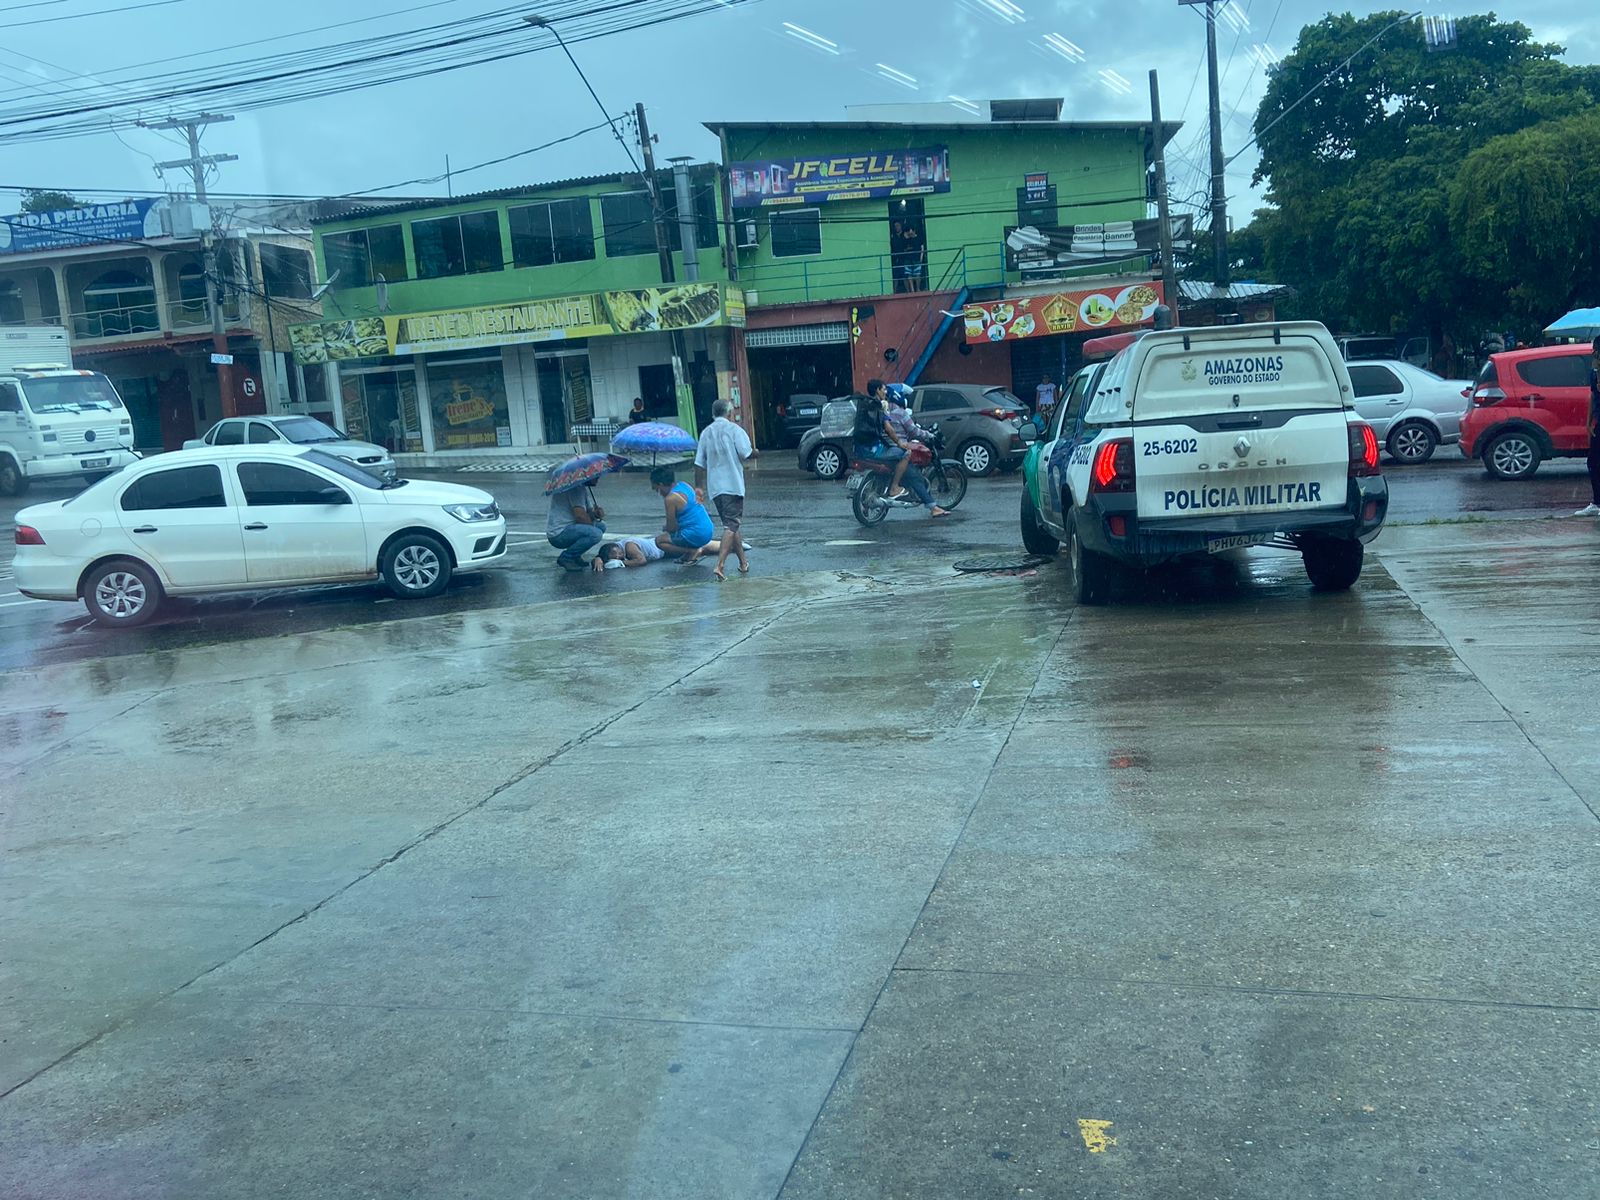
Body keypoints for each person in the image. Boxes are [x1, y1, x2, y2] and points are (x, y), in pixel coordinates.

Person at [853, 381, 948, 518]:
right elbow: (897, 429)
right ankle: (929, 505)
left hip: (863, 449)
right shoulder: (884, 407)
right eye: (883, 389)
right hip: (879, 450)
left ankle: (875, 500)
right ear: (878, 390)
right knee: (913, 471)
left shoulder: (865, 406)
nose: (885, 392)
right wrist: (899, 442)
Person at [695, 397, 757, 580]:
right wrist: (757, 452)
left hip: (715, 487)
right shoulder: (734, 430)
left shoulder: (706, 433)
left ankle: (743, 562)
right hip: (732, 485)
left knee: (731, 524)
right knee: (732, 525)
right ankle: (720, 565)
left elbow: (699, 463)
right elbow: (746, 453)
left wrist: (699, 488)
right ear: (729, 413)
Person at [651, 465, 715, 561]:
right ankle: (691, 552)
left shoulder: (670, 499)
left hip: (697, 534)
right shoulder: (684, 485)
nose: (659, 494)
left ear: (661, 484)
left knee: (659, 541)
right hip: (708, 529)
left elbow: (672, 528)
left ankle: (691, 551)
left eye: (657, 490)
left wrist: (666, 528)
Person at [547, 481, 605, 572]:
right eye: (596, 477)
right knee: (596, 534)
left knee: (601, 526)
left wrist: (596, 514)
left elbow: (587, 513)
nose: (597, 479)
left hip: (569, 528)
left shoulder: (581, 487)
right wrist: (592, 527)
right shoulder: (575, 488)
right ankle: (567, 558)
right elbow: (580, 516)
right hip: (559, 534)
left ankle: (575, 556)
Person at [1579, 337, 1600, 517]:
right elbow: (1593, 397)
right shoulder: (1594, 373)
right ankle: (1597, 502)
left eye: (1596, 349)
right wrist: (1589, 421)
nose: (1593, 352)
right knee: (1593, 461)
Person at [591, 536, 664, 571]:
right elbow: (603, 555)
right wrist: (597, 559)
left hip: (663, 548)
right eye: (614, 557)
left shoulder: (629, 546)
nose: (617, 556)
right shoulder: (611, 548)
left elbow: (641, 561)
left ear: (618, 547)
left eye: (618, 553)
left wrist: (620, 563)